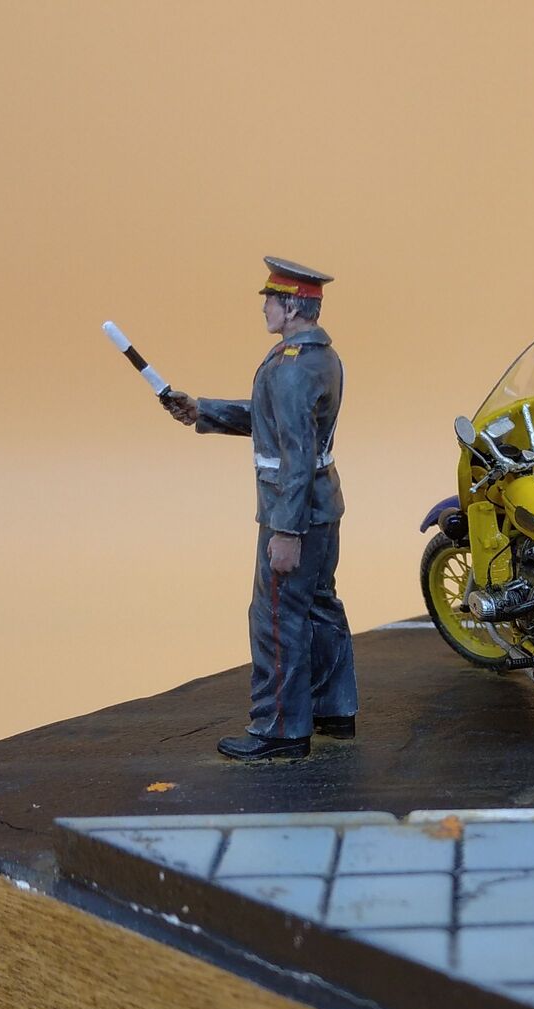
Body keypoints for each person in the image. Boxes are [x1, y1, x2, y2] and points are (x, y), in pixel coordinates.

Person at [160, 257, 358, 761]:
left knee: (275, 618)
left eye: (270, 300)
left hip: (291, 513)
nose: (264, 308)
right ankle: (333, 708)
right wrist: (203, 411)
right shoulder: (321, 358)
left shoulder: (290, 370)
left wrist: (286, 532)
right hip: (323, 506)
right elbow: (279, 422)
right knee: (320, 606)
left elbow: (296, 454)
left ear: (291, 306)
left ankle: (280, 729)